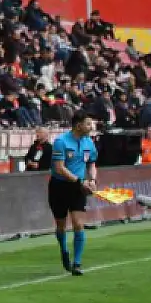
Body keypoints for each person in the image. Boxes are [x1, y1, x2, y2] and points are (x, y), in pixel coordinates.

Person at [49, 110, 99, 276]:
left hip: (78, 188)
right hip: (59, 187)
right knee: (61, 224)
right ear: (78, 125)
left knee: (78, 224)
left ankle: (77, 263)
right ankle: (64, 250)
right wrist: (80, 181)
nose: (91, 127)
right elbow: (59, 168)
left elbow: (92, 163)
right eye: (88, 123)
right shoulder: (61, 142)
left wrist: (92, 180)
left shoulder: (88, 143)